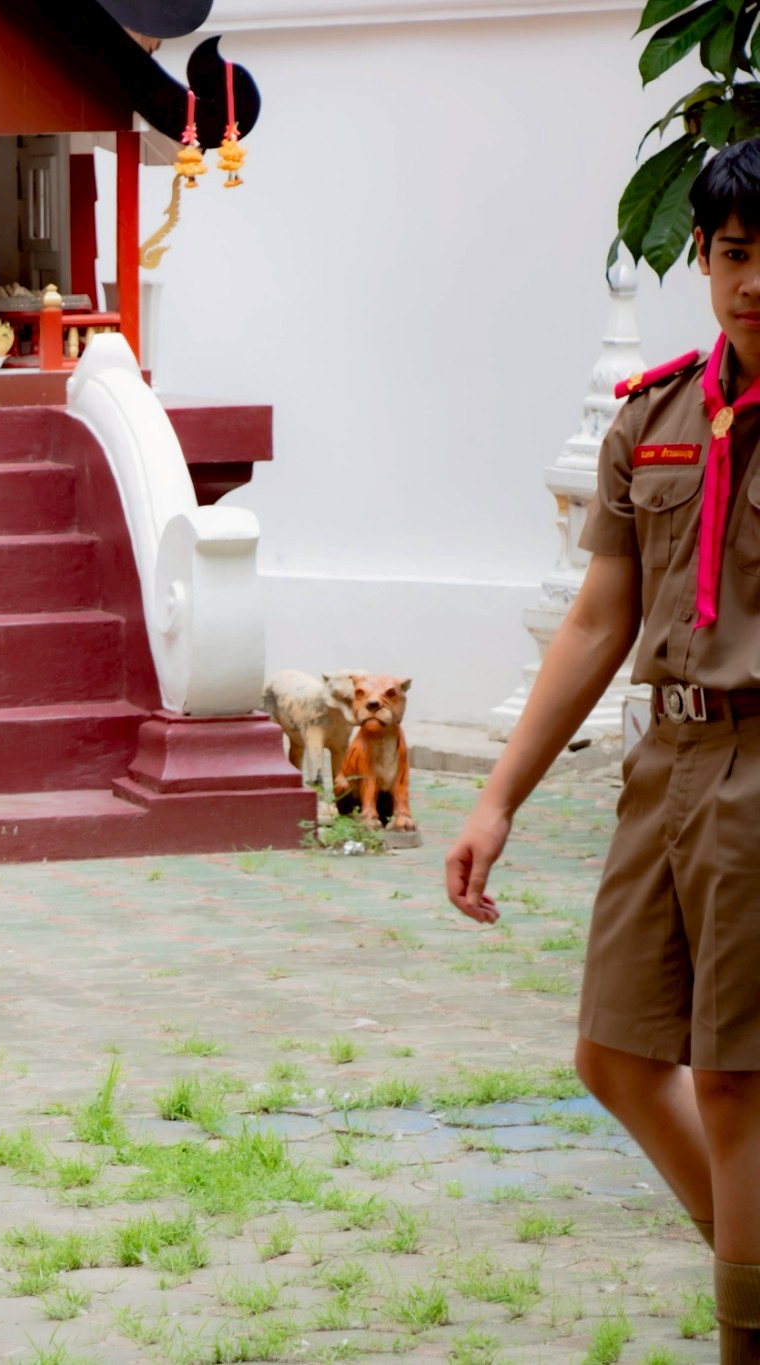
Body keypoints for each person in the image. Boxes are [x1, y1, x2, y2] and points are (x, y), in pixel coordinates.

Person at [446, 139, 760, 1361]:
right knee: (615, 1053)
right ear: (701, 259)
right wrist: (497, 799)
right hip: (662, 766)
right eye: (732, 255)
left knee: (735, 1081)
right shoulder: (656, 415)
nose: (751, 283)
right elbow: (595, 617)